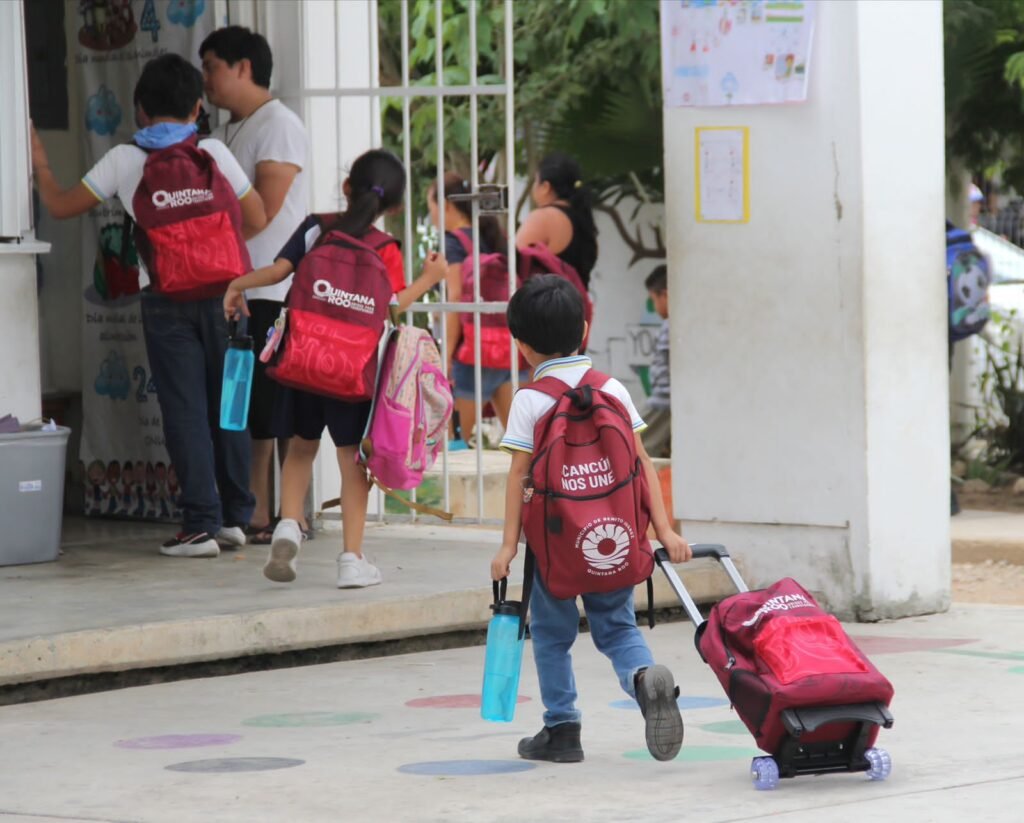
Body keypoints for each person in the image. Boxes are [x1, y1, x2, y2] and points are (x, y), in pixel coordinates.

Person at [31, 53, 266, 558]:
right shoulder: (214, 153)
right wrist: (217, 256)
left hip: (167, 302)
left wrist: (39, 158)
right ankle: (233, 518)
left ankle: (199, 524)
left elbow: (60, 205)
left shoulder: (126, 159)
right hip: (229, 297)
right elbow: (258, 215)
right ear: (198, 106)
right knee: (229, 408)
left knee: (183, 412)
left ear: (138, 109)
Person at [490, 275, 692, 763]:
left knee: (553, 639)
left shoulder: (530, 400)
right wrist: (662, 530)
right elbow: (642, 463)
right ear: (584, 328)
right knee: (618, 629)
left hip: (553, 548)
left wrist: (508, 546)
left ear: (521, 346)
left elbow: (519, 475)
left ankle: (562, 730)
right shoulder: (613, 389)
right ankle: (644, 682)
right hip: (614, 538)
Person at [224, 149, 447, 587]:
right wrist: (429, 279)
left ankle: (288, 525)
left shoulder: (316, 229)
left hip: (303, 362)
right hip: (352, 372)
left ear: (347, 187)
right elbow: (391, 307)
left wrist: (236, 285)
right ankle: (351, 560)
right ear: (395, 206)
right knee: (351, 463)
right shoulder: (386, 249)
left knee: (301, 448)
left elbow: (277, 272)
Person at [201, 26, 311, 545]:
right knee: (247, 405)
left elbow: (263, 214)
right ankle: (257, 510)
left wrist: (208, 249)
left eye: (212, 67)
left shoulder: (279, 125)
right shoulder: (226, 131)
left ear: (243, 67)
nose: (206, 80)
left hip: (272, 287)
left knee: (270, 409)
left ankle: (271, 513)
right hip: (239, 288)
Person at [427, 172, 530, 444]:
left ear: (446, 205)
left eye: (432, 208)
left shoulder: (453, 243)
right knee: (522, 444)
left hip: (473, 359)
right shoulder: (492, 235)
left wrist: (445, 356)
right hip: (507, 351)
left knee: (453, 444)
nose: (432, 216)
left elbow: (456, 299)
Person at [515, 152, 598, 288]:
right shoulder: (584, 220)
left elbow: (515, 261)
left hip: (546, 305)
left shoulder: (544, 217)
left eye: (535, 181)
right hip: (578, 305)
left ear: (545, 187)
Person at [640, 264, 671, 459]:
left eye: (654, 299)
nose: (655, 305)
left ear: (665, 295)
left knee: (640, 446)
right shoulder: (671, 323)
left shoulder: (672, 324)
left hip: (663, 401)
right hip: (664, 400)